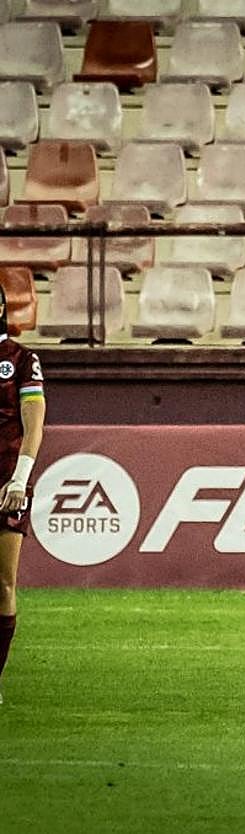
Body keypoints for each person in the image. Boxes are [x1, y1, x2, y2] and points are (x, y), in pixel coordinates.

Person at [0, 284, 47, 705]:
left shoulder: (20, 359)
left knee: (3, 581)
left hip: (5, 482)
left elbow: (33, 425)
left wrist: (20, 479)